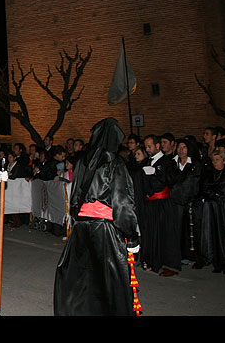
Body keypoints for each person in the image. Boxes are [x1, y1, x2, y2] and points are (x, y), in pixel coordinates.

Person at [54, 118, 140, 316]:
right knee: (109, 281)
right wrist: (132, 235)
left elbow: (75, 196)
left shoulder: (83, 161)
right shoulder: (114, 162)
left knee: (83, 277)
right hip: (105, 228)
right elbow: (122, 200)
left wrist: (79, 218)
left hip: (83, 227)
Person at [140, 134, 180, 276]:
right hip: (149, 203)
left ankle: (170, 265)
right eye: (146, 147)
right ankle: (151, 261)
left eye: (149, 146)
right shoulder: (146, 161)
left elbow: (172, 178)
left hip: (162, 203)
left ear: (157, 146)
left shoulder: (168, 162)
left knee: (165, 233)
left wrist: (156, 172)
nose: (147, 149)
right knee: (150, 233)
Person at [198, 149, 225, 274]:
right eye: (213, 160)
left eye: (218, 160)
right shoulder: (210, 173)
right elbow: (204, 188)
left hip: (224, 207)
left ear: (224, 161)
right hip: (212, 206)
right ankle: (216, 262)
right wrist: (214, 192)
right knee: (213, 233)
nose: (215, 163)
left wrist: (215, 192)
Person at [171, 138, 203, 266]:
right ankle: (180, 255)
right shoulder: (172, 163)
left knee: (192, 232)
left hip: (191, 203)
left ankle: (194, 257)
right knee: (178, 230)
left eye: (184, 147)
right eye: (179, 147)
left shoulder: (196, 165)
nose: (181, 150)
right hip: (176, 202)